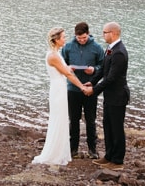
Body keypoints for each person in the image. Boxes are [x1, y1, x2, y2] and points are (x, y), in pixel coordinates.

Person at [32, 27, 91, 166]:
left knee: (62, 119)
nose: (65, 39)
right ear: (57, 40)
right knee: (58, 119)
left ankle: (60, 151)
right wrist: (82, 87)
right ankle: (54, 154)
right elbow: (68, 74)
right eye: (63, 37)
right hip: (58, 90)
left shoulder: (56, 53)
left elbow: (64, 70)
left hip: (60, 88)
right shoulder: (53, 56)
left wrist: (69, 67)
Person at [87, 21, 129, 169]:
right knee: (107, 126)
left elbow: (111, 78)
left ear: (113, 33)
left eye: (105, 32)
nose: (103, 35)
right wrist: (91, 82)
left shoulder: (119, 52)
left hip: (118, 96)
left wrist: (94, 91)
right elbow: (103, 70)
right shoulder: (110, 49)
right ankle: (109, 156)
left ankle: (117, 161)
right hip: (109, 96)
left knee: (117, 128)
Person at [60, 22, 103, 158]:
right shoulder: (68, 47)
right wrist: (69, 68)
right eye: (79, 38)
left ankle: (92, 150)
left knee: (90, 120)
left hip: (90, 88)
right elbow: (62, 64)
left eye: (84, 38)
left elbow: (103, 66)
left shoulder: (97, 47)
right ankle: (73, 150)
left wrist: (93, 69)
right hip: (72, 89)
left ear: (88, 34)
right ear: (75, 35)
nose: (82, 40)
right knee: (74, 120)